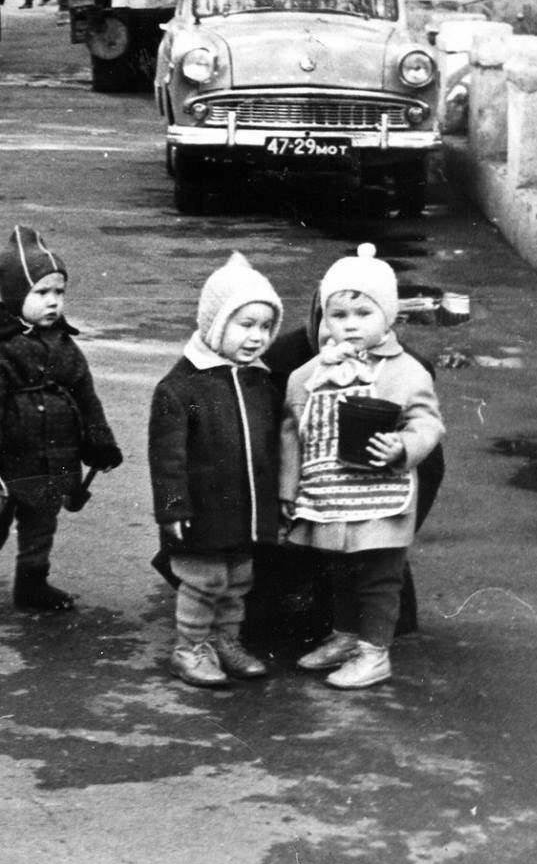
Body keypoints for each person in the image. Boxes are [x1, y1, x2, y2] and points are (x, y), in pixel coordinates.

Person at [279, 244, 445, 690]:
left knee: (378, 575)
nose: (350, 324)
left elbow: (427, 423)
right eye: (338, 314)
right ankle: (346, 636)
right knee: (339, 569)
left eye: (362, 313)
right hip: (331, 495)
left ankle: (374, 653)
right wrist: (287, 490)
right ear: (323, 319)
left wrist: (404, 446)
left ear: (387, 317)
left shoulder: (406, 372)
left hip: (380, 496)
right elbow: (293, 431)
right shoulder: (308, 374)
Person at [0, 225, 123, 616]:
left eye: (59, 293)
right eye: (41, 293)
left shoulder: (65, 346)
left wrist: (99, 440)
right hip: (1, 463)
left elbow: (85, 396)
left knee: (41, 525)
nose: (53, 302)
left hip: (53, 457)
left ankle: (32, 582)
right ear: (15, 296)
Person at [147, 253, 283, 687]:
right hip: (200, 509)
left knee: (238, 579)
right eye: (245, 325)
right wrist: (172, 509)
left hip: (245, 509)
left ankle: (225, 640)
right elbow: (166, 458)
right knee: (203, 580)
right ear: (216, 325)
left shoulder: (261, 381)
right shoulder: (181, 386)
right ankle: (190, 648)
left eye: (265, 326)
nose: (257, 337)